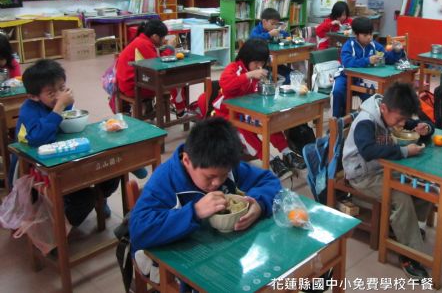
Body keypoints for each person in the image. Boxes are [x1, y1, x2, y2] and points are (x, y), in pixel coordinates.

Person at [129, 117, 281, 288]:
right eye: (210, 177)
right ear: (187, 161)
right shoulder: (165, 181)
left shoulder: (223, 165)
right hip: (173, 260)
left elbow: (269, 181)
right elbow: (138, 232)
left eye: (224, 175)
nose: (217, 183)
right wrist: (195, 212)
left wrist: (259, 205)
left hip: (221, 252)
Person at [342, 82, 433, 280]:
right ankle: (409, 256)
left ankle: (403, 229)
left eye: (405, 119)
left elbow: (414, 123)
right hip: (362, 175)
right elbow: (368, 151)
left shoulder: (392, 112)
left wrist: (425, 128)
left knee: (423, 187)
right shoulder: (366, 121)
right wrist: (404, 151)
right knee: (401, 197)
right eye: (400, 120)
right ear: (383, 108)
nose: (402, 123)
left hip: (382, 169)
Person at [15, 59, 119, 225]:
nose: (59, 95)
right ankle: (63, 228)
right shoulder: (28, 110)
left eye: (62, 88)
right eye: (51, 93)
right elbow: (38, 139)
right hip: (37, 166)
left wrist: (65, 105)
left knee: (112, 172)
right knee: (84, 199)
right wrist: (60, 106)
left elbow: (68, 124)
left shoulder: (57, 103)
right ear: (33, 96)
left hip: (66, 156)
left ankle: (101, 198)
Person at [209, 39, 306, 179]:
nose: (259, 66)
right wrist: (249, 75)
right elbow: (226, 84)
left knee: (268, 120)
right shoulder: (233, 68)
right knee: (244, 130)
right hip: (226, 112)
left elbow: (254, 92)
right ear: (246, 58)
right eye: (256, 62)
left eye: (262, 62)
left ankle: (287, 152)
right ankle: (271, 160)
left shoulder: (254, 70)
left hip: (246, 110)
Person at [331, 16, 406, 118]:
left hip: (364, 79)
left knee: (373, 96)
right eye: (365, 35)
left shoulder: (374, 45)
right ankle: (337, 121)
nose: (369, 37)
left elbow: (387, 59)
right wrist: (367, 60)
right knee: (338, 92)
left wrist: (396, 51)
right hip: (345, 76)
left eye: (371, 34)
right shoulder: (349, 45)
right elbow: (347, 63)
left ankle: (367, 119)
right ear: (356, 34)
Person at [116, 19, 186, 117]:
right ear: (155, 36)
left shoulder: (140, 40)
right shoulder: (143, 44)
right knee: (175, 78)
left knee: (168, 76)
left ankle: (162, 107)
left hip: (129, 83)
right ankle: (180, 110)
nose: (164, 40)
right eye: (163, 37)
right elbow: (159, 64)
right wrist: (170, 48)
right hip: (133, 87)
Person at [249, 8, 292, 83]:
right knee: (285, 77)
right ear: (264, 22)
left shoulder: (274, 30)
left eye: (276, 24)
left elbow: (286, 35)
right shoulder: (256, 30)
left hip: (273, 59)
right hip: (261, 64)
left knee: (291, 74)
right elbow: (254, 38)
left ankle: (285, 88)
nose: (274, 26)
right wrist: (269, 34)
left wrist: (282, 31)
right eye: (272, 24)